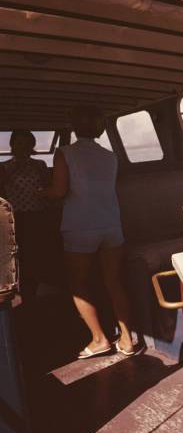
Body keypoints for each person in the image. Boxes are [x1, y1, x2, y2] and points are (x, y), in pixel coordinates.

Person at [42, 107, 135, 358]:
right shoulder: (110, 156)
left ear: (73, 127)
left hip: (80, 226)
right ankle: (127, 340)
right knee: (114, 281)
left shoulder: (65, 153)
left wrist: (42, 192)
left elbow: (59, 191)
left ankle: (99, 339)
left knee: (78, 285)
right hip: (111, 224)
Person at [0, 131, 49, 305]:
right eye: (19, 143)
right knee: (15, 255)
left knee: (35, 253)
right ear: (12, 146)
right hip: (14, 217)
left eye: (27, 144)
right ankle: (16, 291)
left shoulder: (40, 164)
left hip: (37, 215)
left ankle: (33, 291)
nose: (23, 147)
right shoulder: (4, 166)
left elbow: (48, 186)